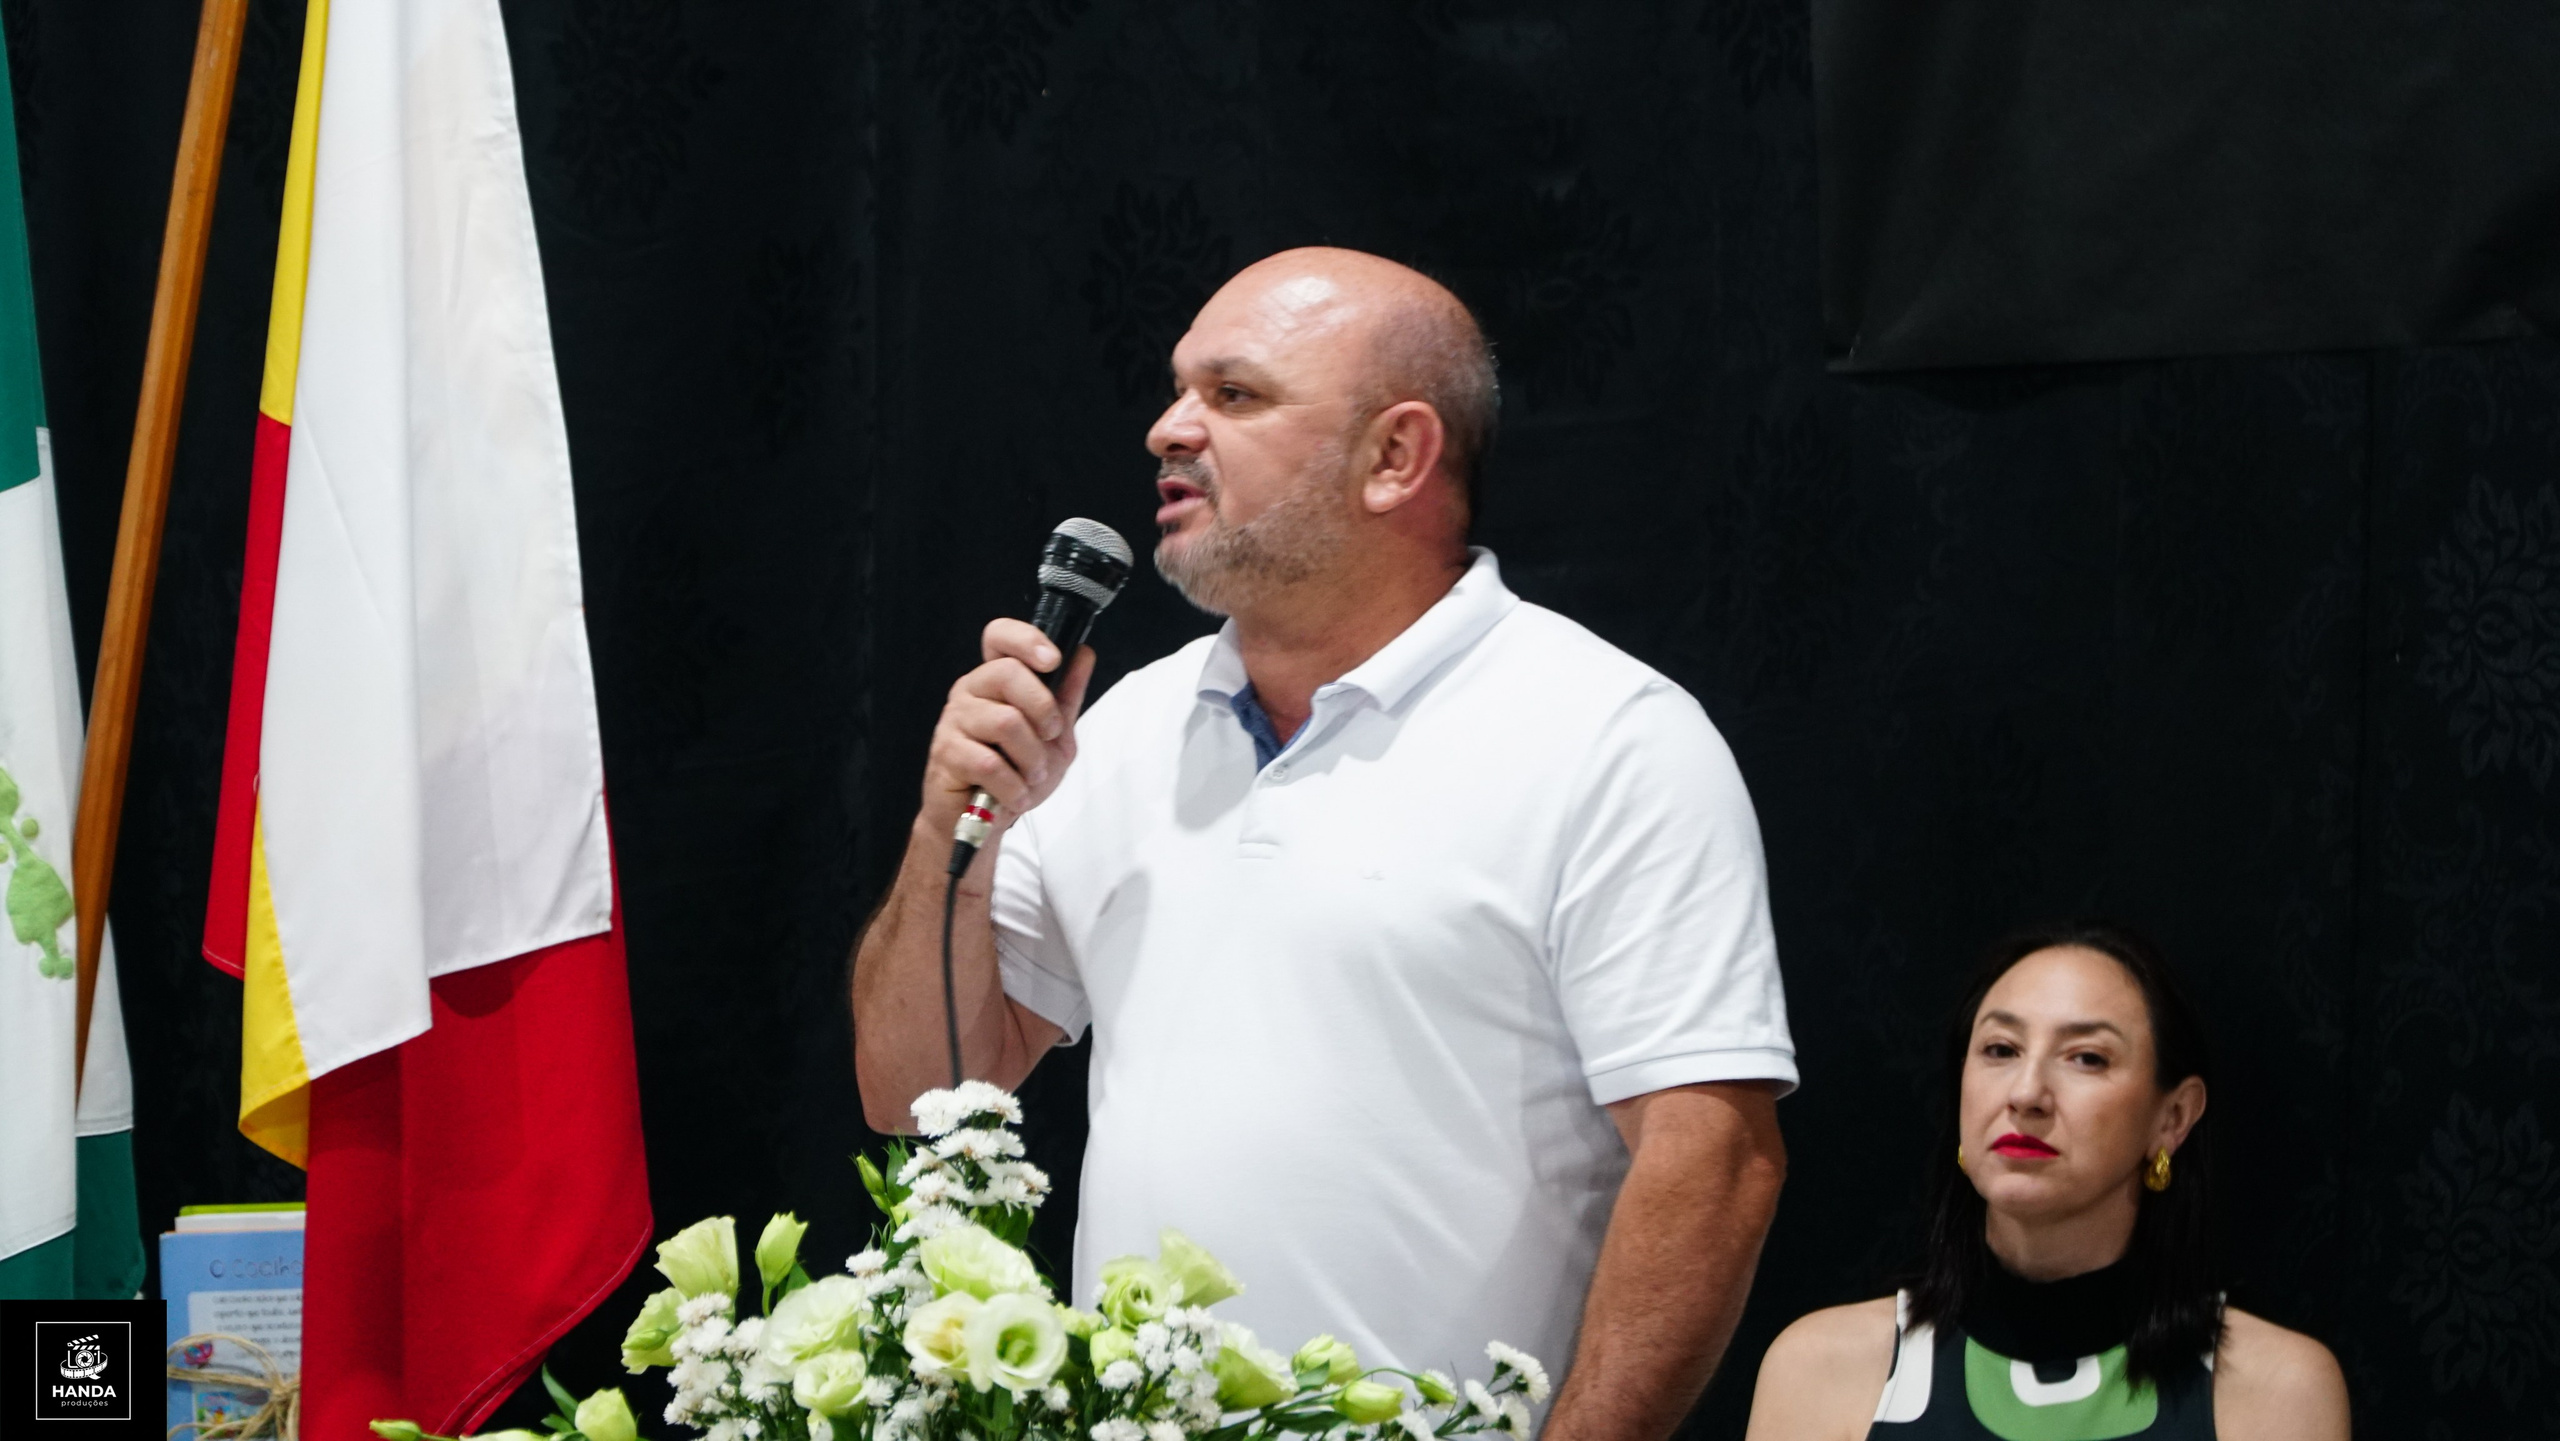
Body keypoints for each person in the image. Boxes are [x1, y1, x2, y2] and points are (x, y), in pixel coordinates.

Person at [851, 247, 1794, 1438]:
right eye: (1178, 388)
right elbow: (919, 1094)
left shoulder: (1606, 738)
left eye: (1232, 397)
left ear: (1395, 456)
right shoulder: (1125, 730)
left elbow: (1712, 1161)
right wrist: (956, 828)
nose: (1165, 430)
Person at [1744, 921, 2349, 1440]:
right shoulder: (1823, 1369)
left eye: (2086, 1057)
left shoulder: (2275, 1390)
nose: (2027, 1093)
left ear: (2173, 1118)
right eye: (2001, 1049)